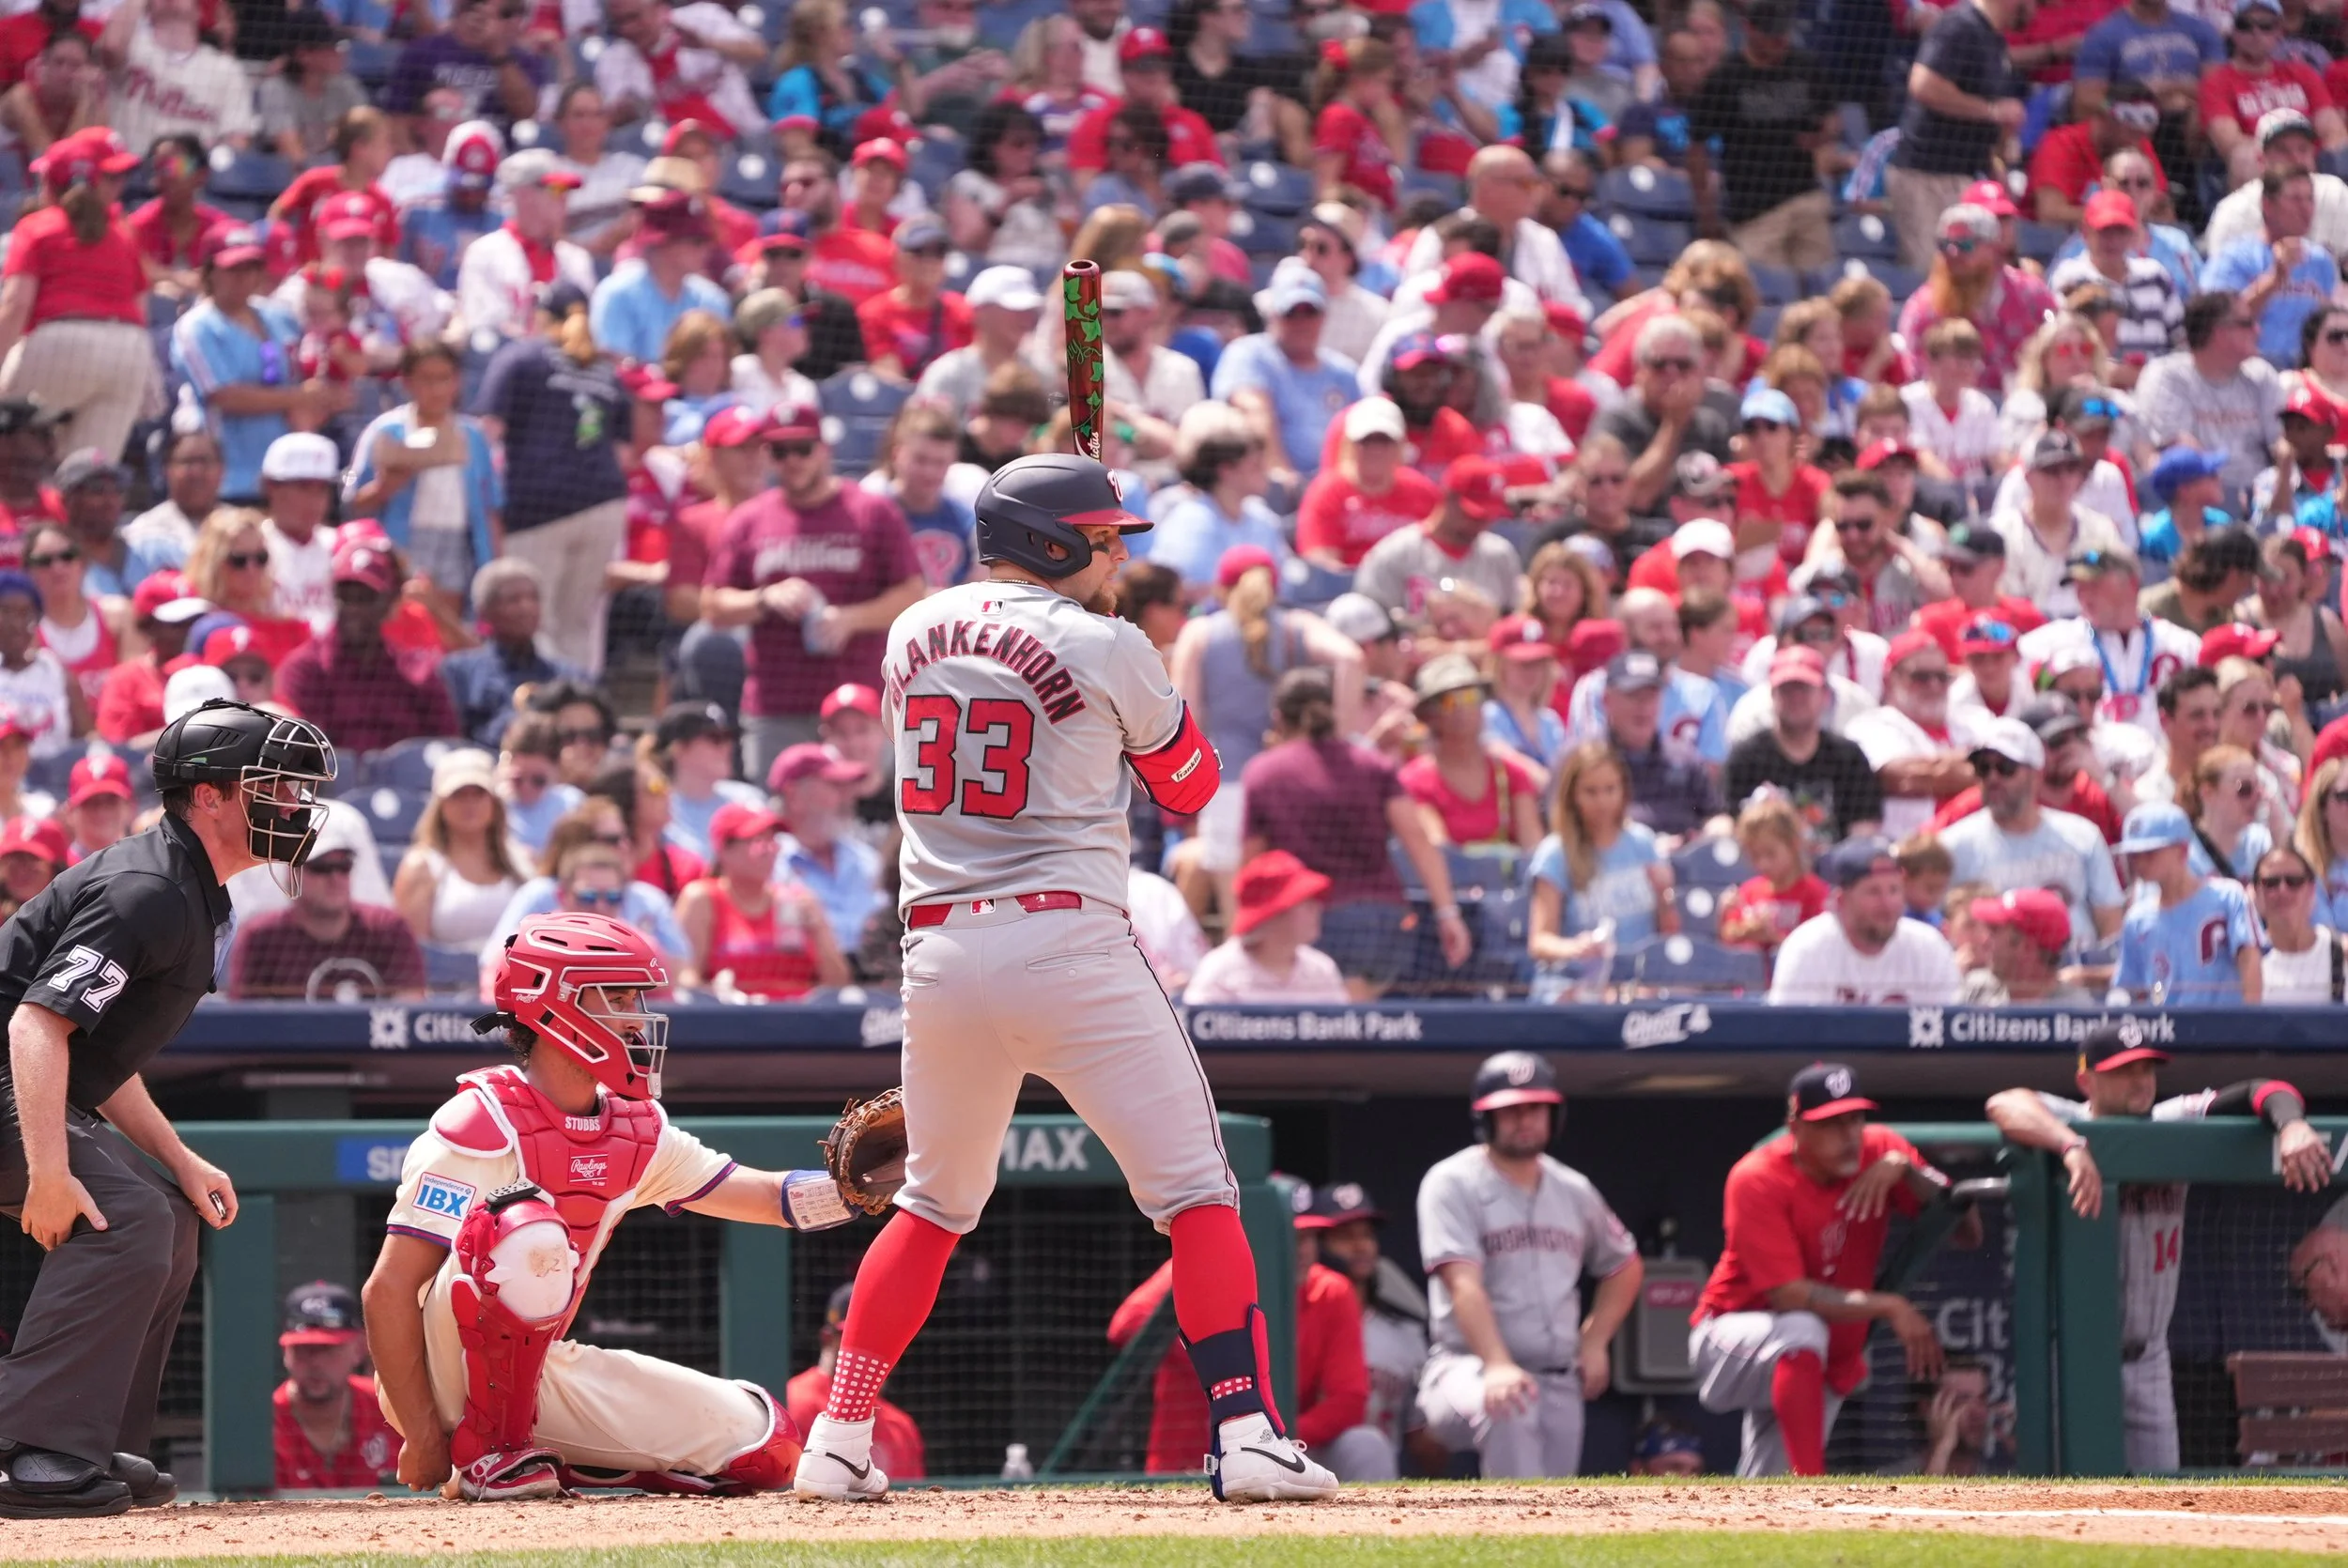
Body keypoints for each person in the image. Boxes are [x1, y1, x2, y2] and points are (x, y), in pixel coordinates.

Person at [793, 453, 1336, 1505]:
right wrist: (1133, 659)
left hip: (939, 953)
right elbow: (1189, 782)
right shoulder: (1107, 640)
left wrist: (1104, 633)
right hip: (1068, 943)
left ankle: (839, 1435)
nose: (1114, 553)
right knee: (1197, 1192)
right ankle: (1247, 1432)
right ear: (1051, 543)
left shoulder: (914, 628)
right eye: (1099, 539)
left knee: (934, 1202)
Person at [361, 913, 860, 1500]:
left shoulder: (634, 1129)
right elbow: (388, 1291)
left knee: (766, 1446)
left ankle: (544, 1460)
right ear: (554, 1006)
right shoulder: (480, 1124)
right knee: (525, 1230)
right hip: (444, 1375)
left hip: (536, 1374)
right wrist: (421, 1434)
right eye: (617, 998)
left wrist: (861, 1189)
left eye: (634, 998)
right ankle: (485, 1456)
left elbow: (763, 1196)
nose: (634, 1017)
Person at [0, 700, 330, 1514]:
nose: (294, 808)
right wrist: (48, 1173)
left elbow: (97, 1055)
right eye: (275, 789)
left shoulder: (193, 888)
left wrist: (180, 1158)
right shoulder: (149, 889)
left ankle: (80, 1436)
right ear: (210, 797)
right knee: (128, 1218)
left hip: (31, 1079)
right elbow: (36, 1023)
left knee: (167, 1210)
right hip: (13, 1067)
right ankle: (30, 1447)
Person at [1985, 1023, 2326, 1471]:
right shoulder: (2067, 1117)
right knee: (2068, 1492)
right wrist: (2069, 1144)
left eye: (2146, 1069)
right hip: (2073, 1352)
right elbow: (2004, 1103)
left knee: (2162, 1494)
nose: (2140, 1081)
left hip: (2148, 1356)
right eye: (2124, 1071)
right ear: (2087, 1081)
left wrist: (2292, 1124)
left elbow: (2264, 1089)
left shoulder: (2174, 1121)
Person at [1691, 1061, 1978, 1477]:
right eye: (1830, 1124)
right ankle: (1815, 1487)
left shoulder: (1881, 1152)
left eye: (1855, 1119)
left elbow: (1967, 1233)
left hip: (1819, 1360)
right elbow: (1788, 1296)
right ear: (1796, 1126)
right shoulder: (1757, 1177)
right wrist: (1890, 1306)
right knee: (1803, 1330)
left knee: (1768, 1489)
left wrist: (1910, 1172)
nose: (1848, 1137)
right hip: (1730, 1337)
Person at [1414, 1052, 1643, 1479]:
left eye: (1535, 1108)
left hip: (1557, 1377)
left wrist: (1594, 1341)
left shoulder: (1574, 1189)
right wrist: (1498, 1362)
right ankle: (1505, 1540)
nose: (1525, 1120)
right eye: (1510, 1111)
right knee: (1510, 1406)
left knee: (1556, 1501)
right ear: (1486, 1118)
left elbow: (1624, 1265)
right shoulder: (1451, 1182)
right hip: (1467, 1366)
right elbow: (1464, 1284)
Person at [702, 406, 924, 784]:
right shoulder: (749, 519)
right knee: (782, 815)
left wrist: (850, 619)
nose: (792, 461)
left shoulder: (872, 512)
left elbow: (912, 593)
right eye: (780, 451)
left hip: (861, 707)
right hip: (778, 705)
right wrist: (763, 599)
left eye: (802, 448)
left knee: (872, 820)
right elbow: (712, 606)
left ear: (824, 449)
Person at [1109, 1176, 1369, 1477]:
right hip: (1189, 1462)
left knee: (1364, 1443)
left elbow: (1350, 1399)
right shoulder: (1203, 1266)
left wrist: (1272, 1439)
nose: (1299, 1250)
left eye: (1306, 1238)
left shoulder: (1329, 1291)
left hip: (1286, 1452)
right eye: (1284, 1236)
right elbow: (1126, 1326)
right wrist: (1218, 1361)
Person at [471, 282, 630, 679]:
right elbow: (624, 454)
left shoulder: (520, 358)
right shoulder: (608, 368)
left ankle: (537, 712)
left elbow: (486, 432)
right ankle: (574, 713)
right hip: (604, 504)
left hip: (538, 507)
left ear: (539, 317)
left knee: (533, 621)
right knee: (576, 624)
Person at [0, 127, 157, 470]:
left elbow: (16, 305)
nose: (119, 186)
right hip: (128, 353)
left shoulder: (38, 225)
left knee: (15, 455)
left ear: (51, 184)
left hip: (60, 343)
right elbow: (141, 310)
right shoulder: (123, 234)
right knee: (85, 477)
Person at [1938, 715, 2125, 949]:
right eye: (1983, 768)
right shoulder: (1953, 846)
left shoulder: (2082, 836)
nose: (1993, 778)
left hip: (2078, 973)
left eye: (2006, 768)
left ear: (2037, 774)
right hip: (1991, 981)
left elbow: (2110, 922)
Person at [1682, 0, 1836, 272]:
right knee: (1766, 296)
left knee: (1820, 290)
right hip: (1754, 213)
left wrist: (1820, 137)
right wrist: (1705, 210)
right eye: (1772, 35)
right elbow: (1696, 147)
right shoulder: (1725, 78)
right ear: (1749, 29)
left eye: (1783, 33)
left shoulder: (1804, 65)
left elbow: (1833, 118)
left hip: (1805, 199)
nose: (1780, 41)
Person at [277, 539, 460, 756]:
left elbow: (448, 748)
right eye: (344, 597)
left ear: (391, 601)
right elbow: (290, 755)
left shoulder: (417, 673)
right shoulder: (305, 668)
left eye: (366, 598)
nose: (353, 609)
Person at [1886, 0, 2024, 270]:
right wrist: (1992, 110)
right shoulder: (1959, 25)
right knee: (1935, 273)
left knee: (1971, 274)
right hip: (1925, 175)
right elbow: (1923, 84)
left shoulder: (1992, 38)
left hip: (1963, 176)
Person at [1208, 267, 1357, 490]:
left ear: (1324, 316)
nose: (1301, 322)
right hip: (1269, 488)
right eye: (1291, 313)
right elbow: (1253, 410)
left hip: (1336, 491)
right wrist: (1281, 474)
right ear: (1274, 314)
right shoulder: (1250, 353)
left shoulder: (1344, 373)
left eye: (1310, 313)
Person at [2134, 291, 2286, 509]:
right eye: (2247, 323)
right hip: (2200, 497)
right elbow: (2181, 450)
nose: (2257, 330)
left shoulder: (2262, 375)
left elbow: (2282, 445)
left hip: (2262, 495)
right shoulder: (2168, 375)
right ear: (2220, 332)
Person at [1768, 836, 1963, 1004]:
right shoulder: (1807, 949)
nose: (1887, 904)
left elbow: (1949, 1035)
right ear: (1840, 900)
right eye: (1873, 892)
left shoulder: (1929, 947)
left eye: (1894, 890)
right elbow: (1788, 1037)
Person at [229, 837, 426, 1001]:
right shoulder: (261, 938)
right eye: (321, 868)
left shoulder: (387, 929)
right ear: (292, 875)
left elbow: (410, 1013)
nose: (335, 878)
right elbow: (243, 1023)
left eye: (344, 867)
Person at [1725, 648, 1887, 843]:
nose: (1796, 698)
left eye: (1804, 689)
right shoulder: (1747, 757)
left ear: (1825, 695)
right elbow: (1732, 824)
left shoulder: (1848, 757)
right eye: (1787, 689)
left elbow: (1864, 830)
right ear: (1772, 695)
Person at [2112, 801, 2265, 1003]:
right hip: (2166, 1029)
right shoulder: (2137, 917)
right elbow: (2134, 986)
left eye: (2150, 853)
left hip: (2224, 1028)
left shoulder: (2227, 896)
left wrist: (2251, 1024)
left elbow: (2249, 961)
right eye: (2133, 856)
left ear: (2182, 850)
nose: (2139, 863)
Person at [392, 747, 531, 951]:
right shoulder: (421, 867)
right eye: (458, 794)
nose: (470, 803)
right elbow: (414, 953)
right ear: (441, 805)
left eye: (479, 793)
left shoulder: (521, 860)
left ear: (494, 802)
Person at [783, 1285, 925, 1483]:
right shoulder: (793, 1402)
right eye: (856, 1336)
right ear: (827, 1338)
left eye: (878, 1338)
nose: (869, 1349)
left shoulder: (901, 1428)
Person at [2204, 168, 2338, 371]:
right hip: (2248, 373)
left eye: (2310, 199)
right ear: (2268, 205)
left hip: (2308, 374)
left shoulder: (2322, 261)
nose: (2306, 208)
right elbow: (2214, 321)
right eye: (2295, 199)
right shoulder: (2235, 257)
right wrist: (2274, 279)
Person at [273, 1279, 399, 1492]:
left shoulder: (388, 1406)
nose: (315, 1363)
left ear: (359, 1348)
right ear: (285, 1353)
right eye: (303, 1350)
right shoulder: (265, 1423)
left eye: (329, 1350)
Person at [1959, 886, 2096, 1003]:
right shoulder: (1977, 990)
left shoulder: (2075, 1014)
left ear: (2026, 947)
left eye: (1994, 930)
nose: (1984, 941)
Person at [2253, 844, 2344, 999]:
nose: (2282, 890)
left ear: (2311, 891)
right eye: (2271, 882)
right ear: (2257, 893)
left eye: (2293, 881)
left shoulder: (2340, 954)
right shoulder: (2246, 962)